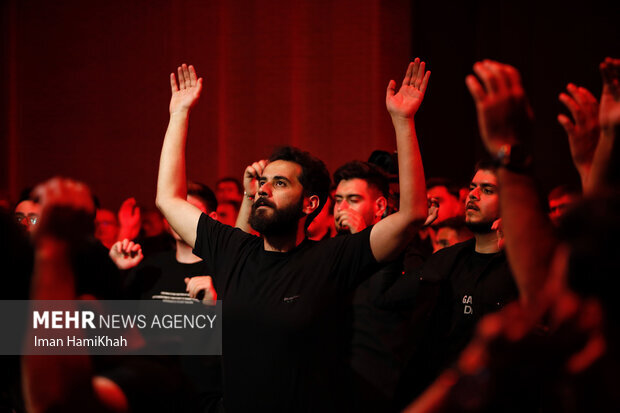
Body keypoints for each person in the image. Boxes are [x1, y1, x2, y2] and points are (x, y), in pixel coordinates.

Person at [155, 60, 430, 411]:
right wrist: (179, 114)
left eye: (280, 183)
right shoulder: (233, 249)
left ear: (310, 203)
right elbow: (168, 198)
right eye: (263, 182)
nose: (264, 189)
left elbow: (412, 216)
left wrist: (403, 121)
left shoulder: (332, 258)